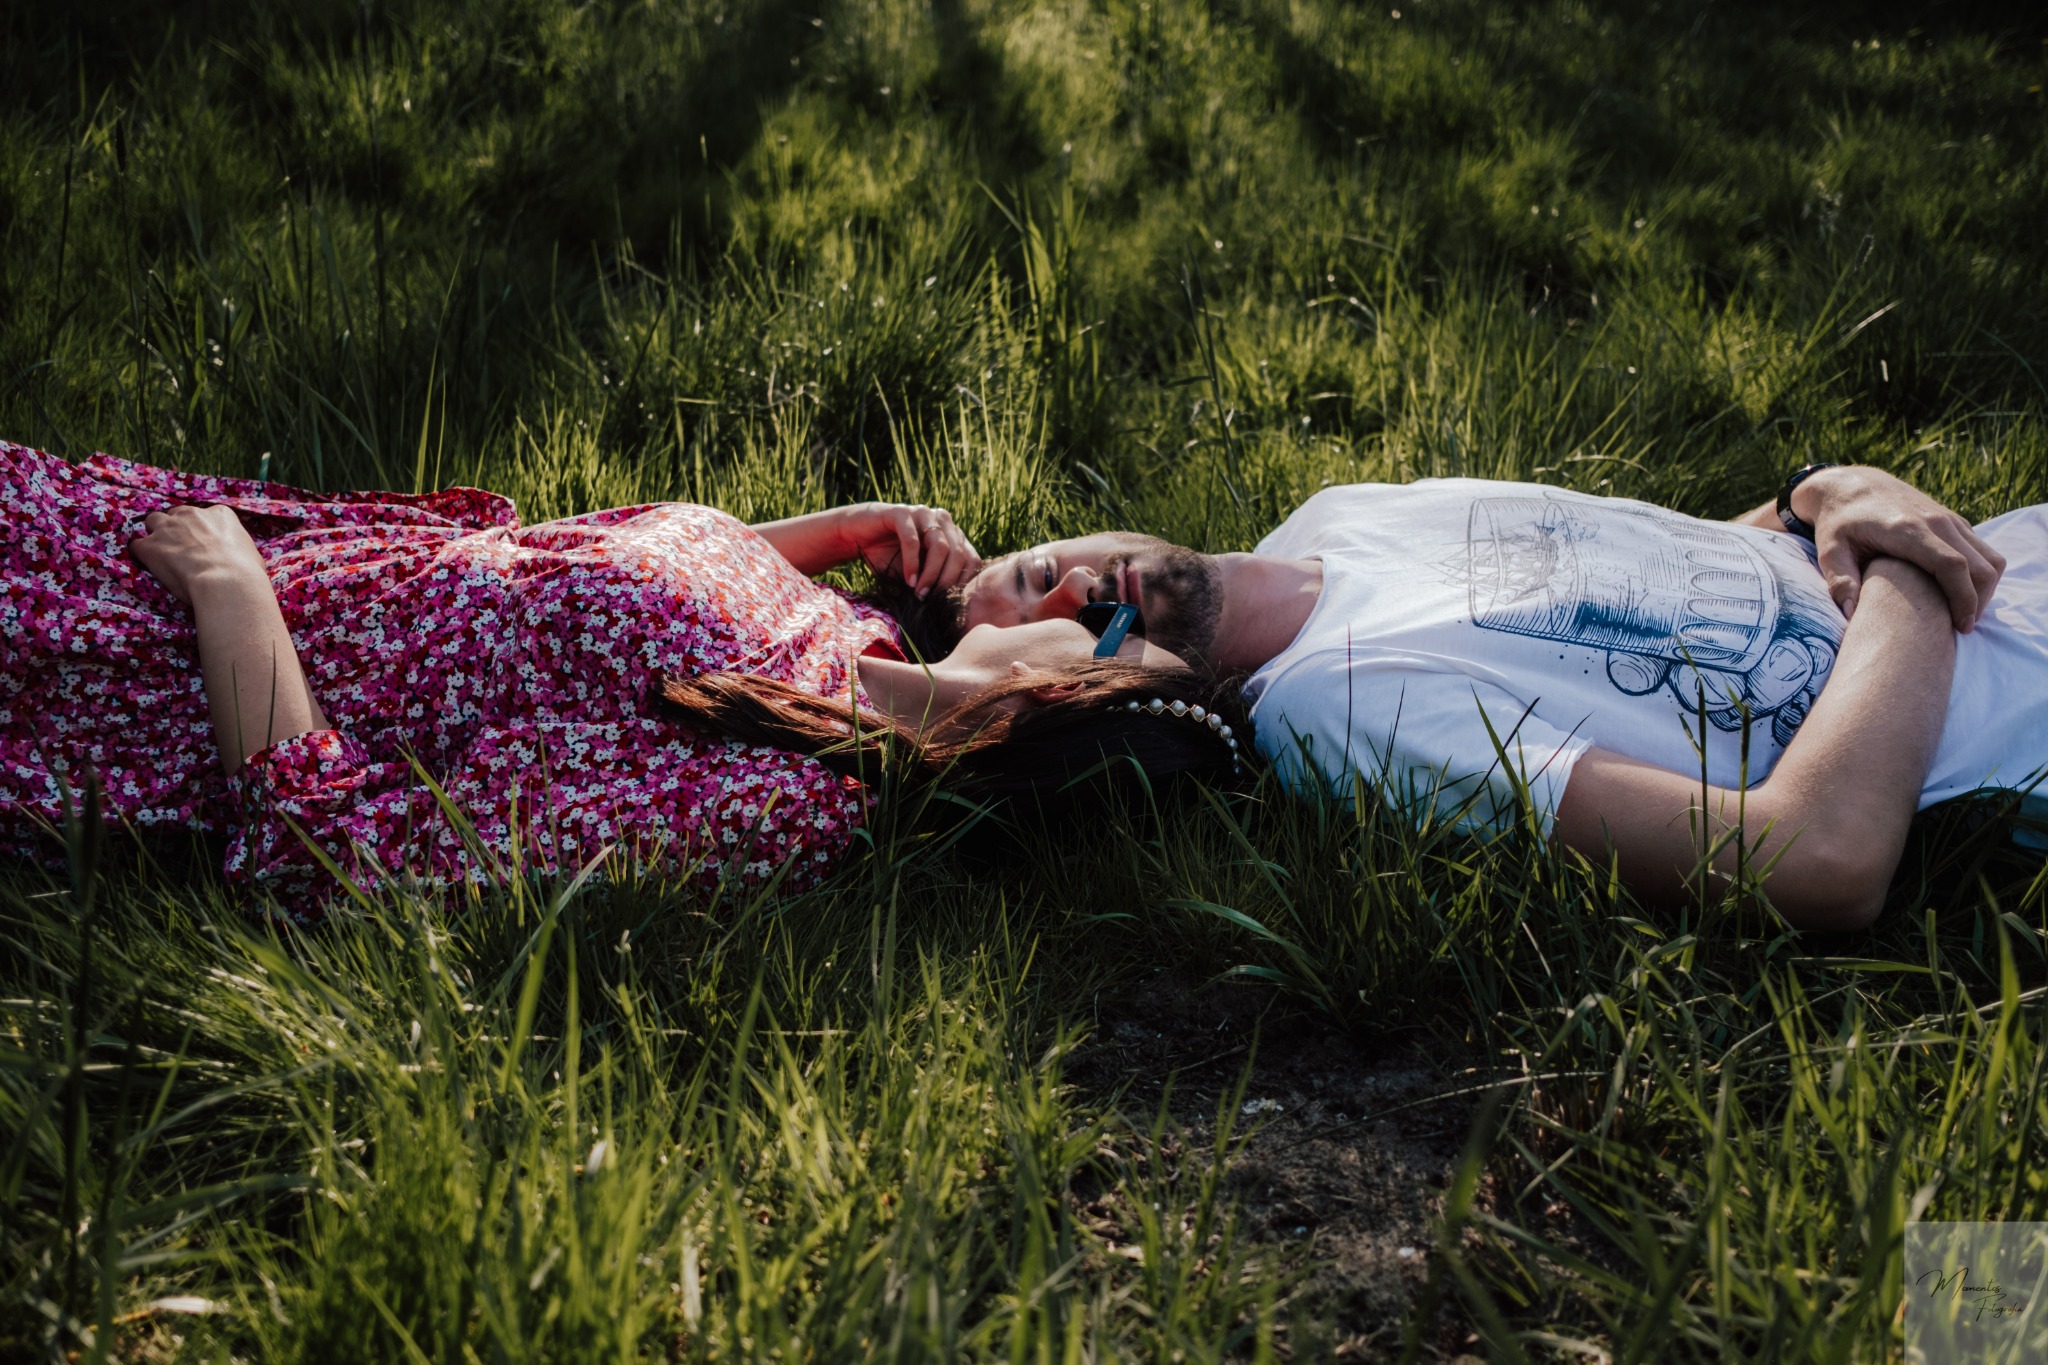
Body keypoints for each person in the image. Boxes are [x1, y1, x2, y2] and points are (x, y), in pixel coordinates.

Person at [1, 441, 1238, 920]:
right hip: (159, 547)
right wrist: (833, 531)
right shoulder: (850, 638)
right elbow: (597, 595)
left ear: (1051, 714)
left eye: (1107, 628)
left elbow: (325, 851)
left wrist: (228, 589)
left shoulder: (785, 803)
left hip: (106, 674)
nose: (1081, 589)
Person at [953, 466, 2045, 930]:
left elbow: (1681, 565)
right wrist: (1904, 569)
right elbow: (1815, 860)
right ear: (1103, 697)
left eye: (1037, 566)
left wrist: (1822, 491)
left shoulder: (1333, 516)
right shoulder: (1333, 709)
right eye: (1070, 631)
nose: (1076, 589)